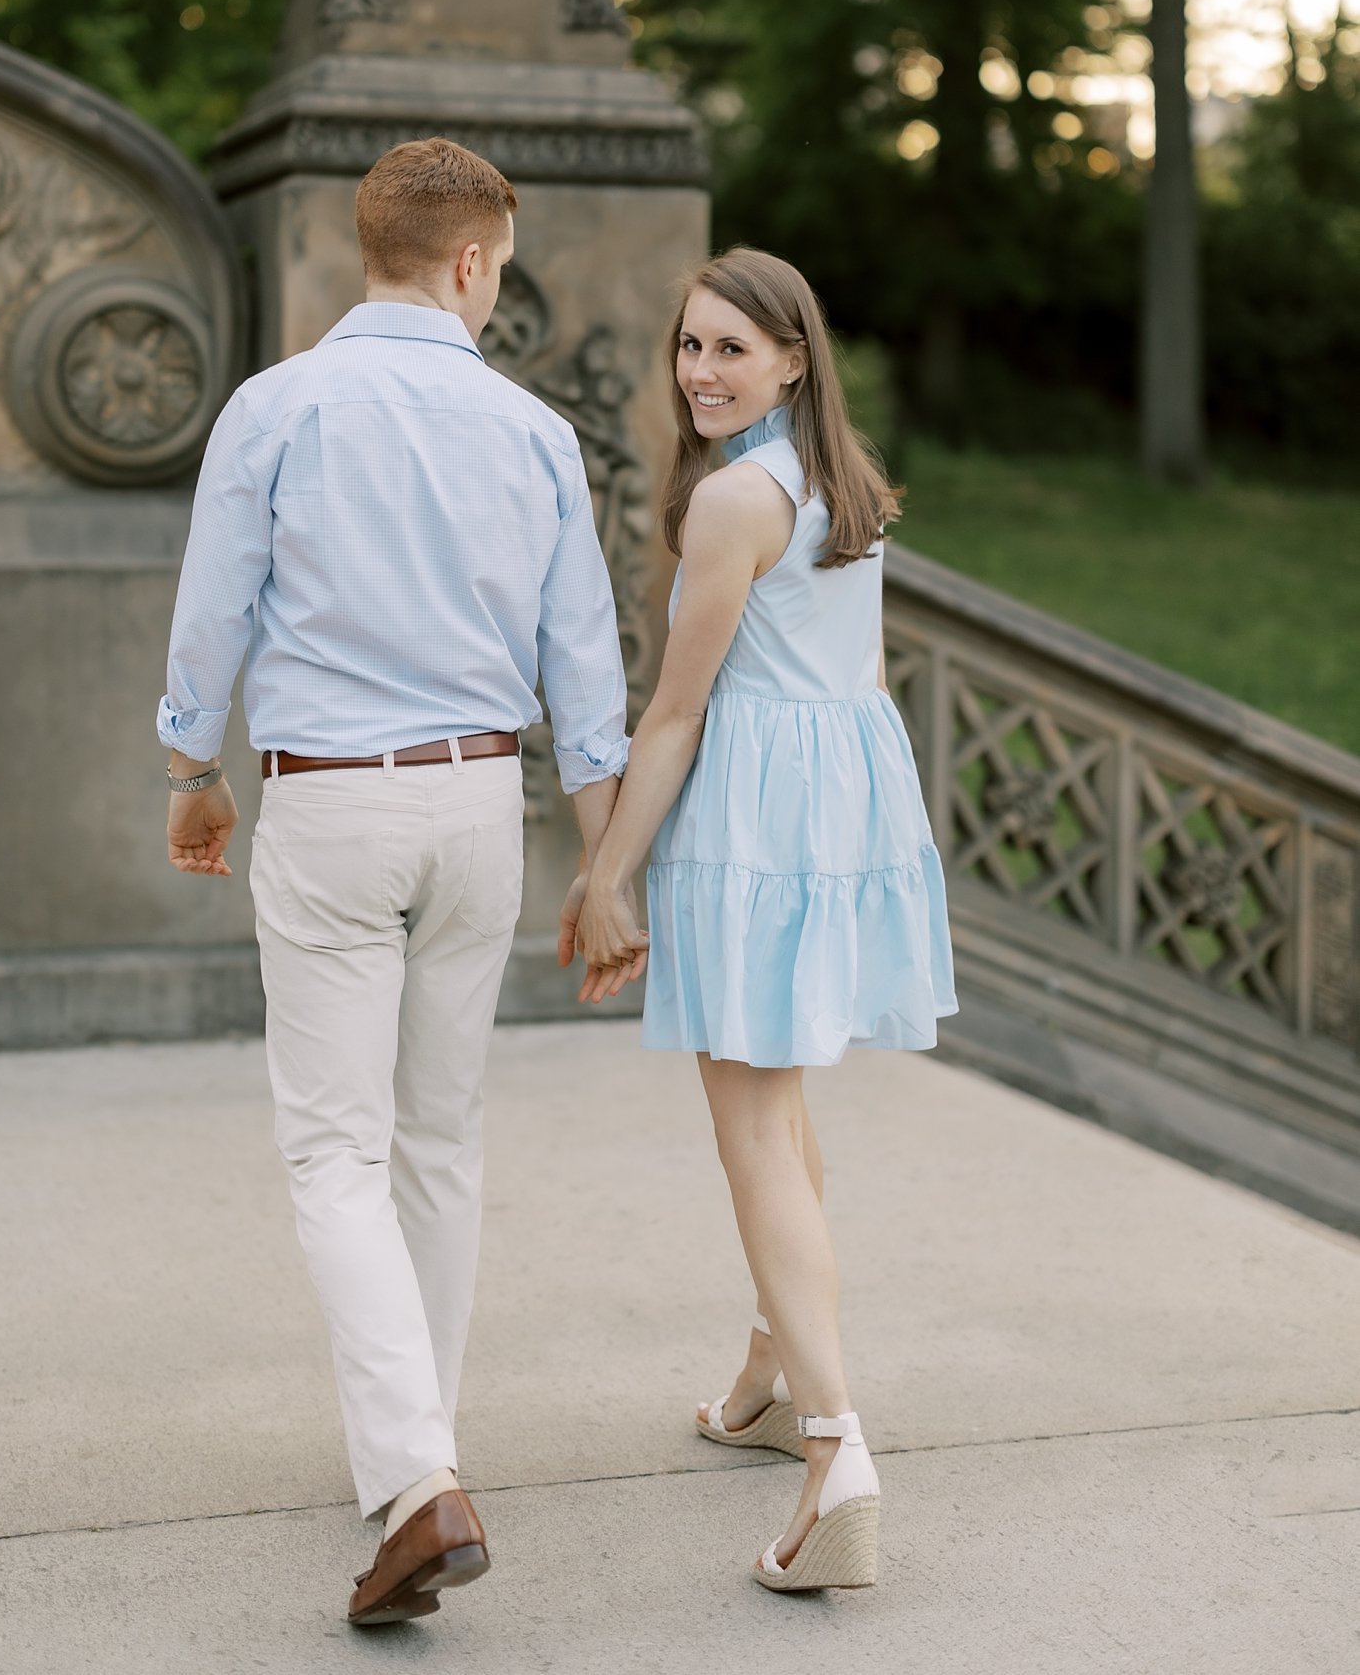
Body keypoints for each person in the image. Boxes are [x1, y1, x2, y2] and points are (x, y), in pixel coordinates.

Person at [157, 138, 639, 1627]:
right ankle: (414, 1453)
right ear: (474, 262)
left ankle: (419, 1478)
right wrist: (607, 869)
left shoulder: (276, 406)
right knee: (438, 1140)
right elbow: (587, 672)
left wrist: (191, 771)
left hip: (330, 809)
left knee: (333, 1156)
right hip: (480, 803)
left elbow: (214, 604)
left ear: (365, 246)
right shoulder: (534, 432)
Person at [568, 247, 956, 1593]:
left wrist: (608, 868)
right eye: (688, 347)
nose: (702, 372)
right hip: (836, 803)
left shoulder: (737, 497)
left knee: (751, 1133)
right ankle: (770, 1379)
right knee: (783, 1117)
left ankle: (836, 1449)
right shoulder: (833, 477)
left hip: (757, 821)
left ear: (794, 357)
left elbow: (673, 712)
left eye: (731, 349)